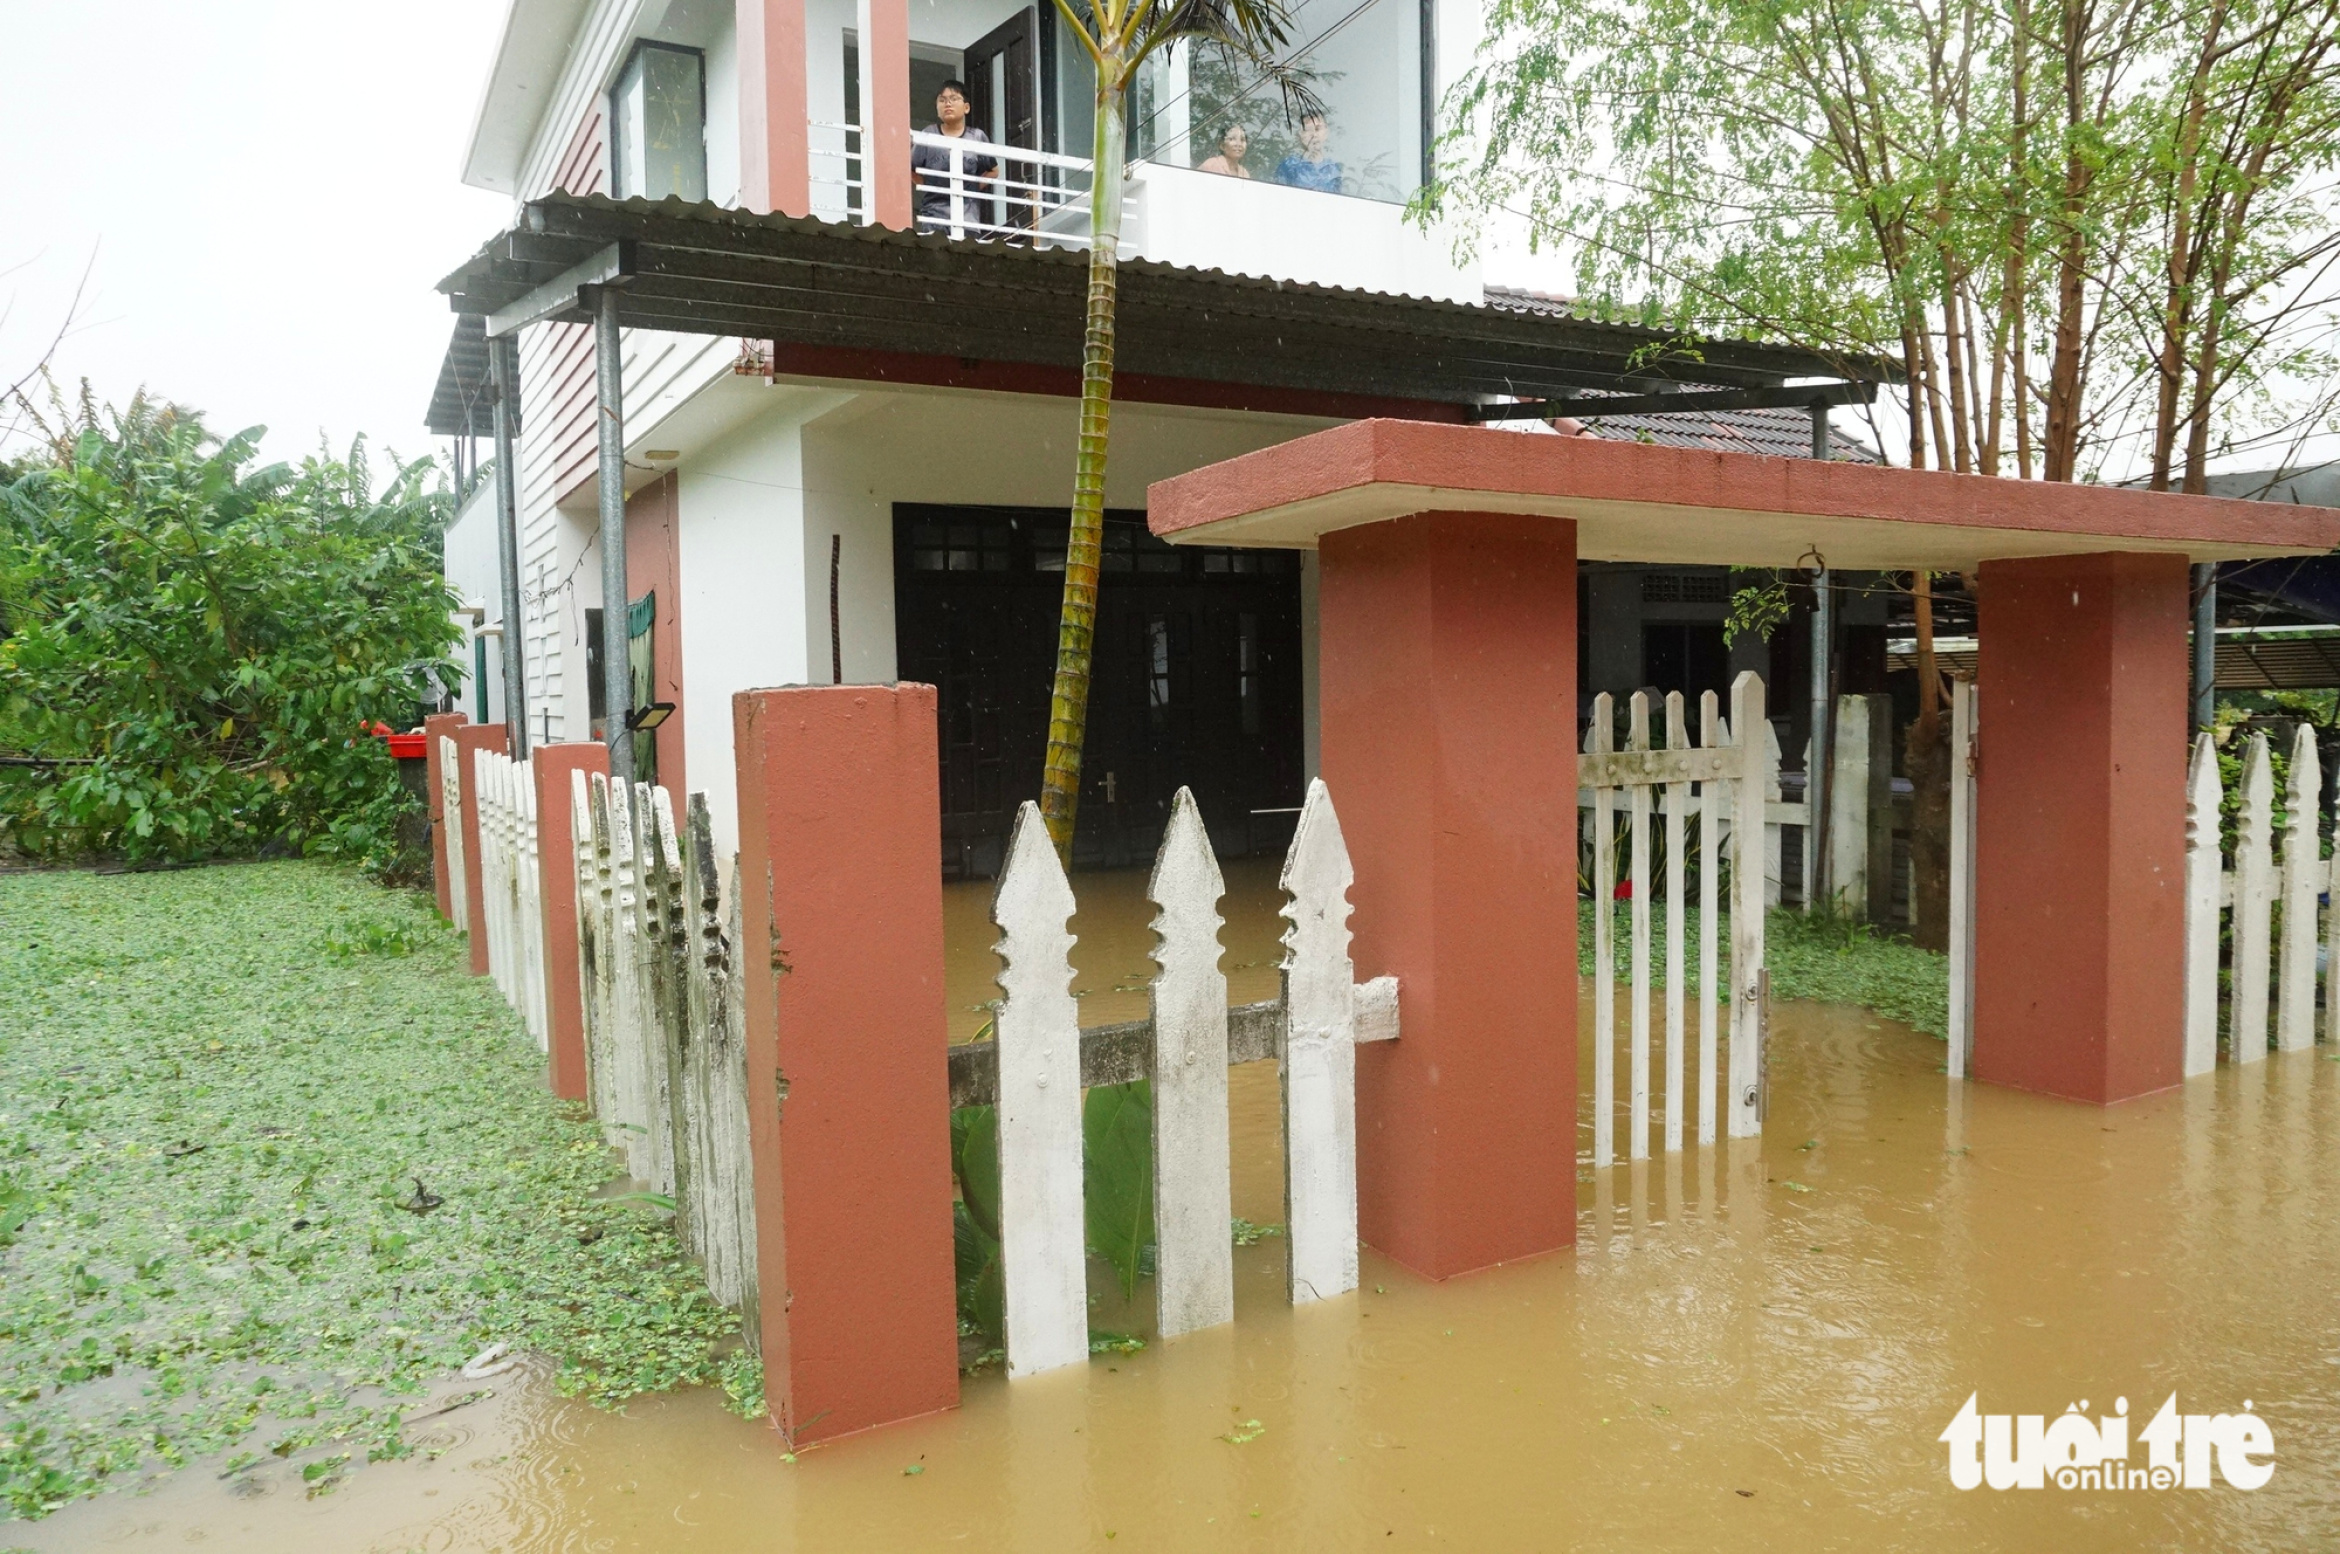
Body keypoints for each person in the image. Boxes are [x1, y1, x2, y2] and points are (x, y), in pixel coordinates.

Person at [911, 80, 1000, 234]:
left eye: (954, 99)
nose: (948, 104)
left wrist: (971, 188)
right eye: (942, 100)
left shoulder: (977, 137)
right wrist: (931, 186)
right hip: (934, 216)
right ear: (937, 108)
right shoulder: (929, 134)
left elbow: (993, 171)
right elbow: (911, 169)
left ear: (966, 107)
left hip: (968, 219)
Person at [1272, 111, 1341, 193]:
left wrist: (1318, 165)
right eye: (1307, 130)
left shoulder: (1332, 169)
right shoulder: (1289, 164)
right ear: (1300, 134)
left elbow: (1332, 196)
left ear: (1326, 133)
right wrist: (1308, 165)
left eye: (1318, 129)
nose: (1314, 135)